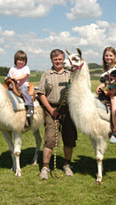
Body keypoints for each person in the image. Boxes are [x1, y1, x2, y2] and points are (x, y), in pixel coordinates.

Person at [37, 49, 78, 180]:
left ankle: (67, 165)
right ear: (52, 60)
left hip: (68, 111)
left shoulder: (71, 74)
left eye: (60, 59)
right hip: (51, 110)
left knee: (69, 138)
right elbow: (41, 93)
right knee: (50, 139)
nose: (58, 62)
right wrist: (51, 110)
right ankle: (45, 167)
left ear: (63, 59)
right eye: (55, 60)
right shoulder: (46, 75)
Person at [96, 46, 116, 143]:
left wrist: (115, 89)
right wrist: (101, 86)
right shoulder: (107, 67)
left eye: (110, 55)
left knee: (115, 109)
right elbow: (106, 81)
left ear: (115, 56)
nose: (108, 57)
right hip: (110, 91)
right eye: (106, 55)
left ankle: (115, 131)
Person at [6, 50, 33, 118]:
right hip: (13, 85)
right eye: (19, 60)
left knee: (24, 92)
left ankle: (30, 107)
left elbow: (25, 75)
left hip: (22, 85)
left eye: (23, 60)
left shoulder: (26, 68)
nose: (21, 62)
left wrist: (16, 78)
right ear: (16, 60)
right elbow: (9, 75)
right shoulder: (12, 68)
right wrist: (7, 77)